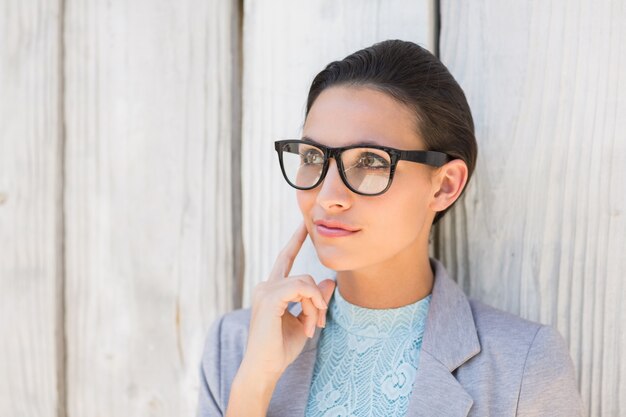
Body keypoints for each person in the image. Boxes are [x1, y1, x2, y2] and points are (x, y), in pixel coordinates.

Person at [196, 40, 585, 416]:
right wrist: (255, 385)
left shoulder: (522, 366)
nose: (327, 195)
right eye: (314, 157)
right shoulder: (234, 347)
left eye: (370, 161)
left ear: (445, 185)